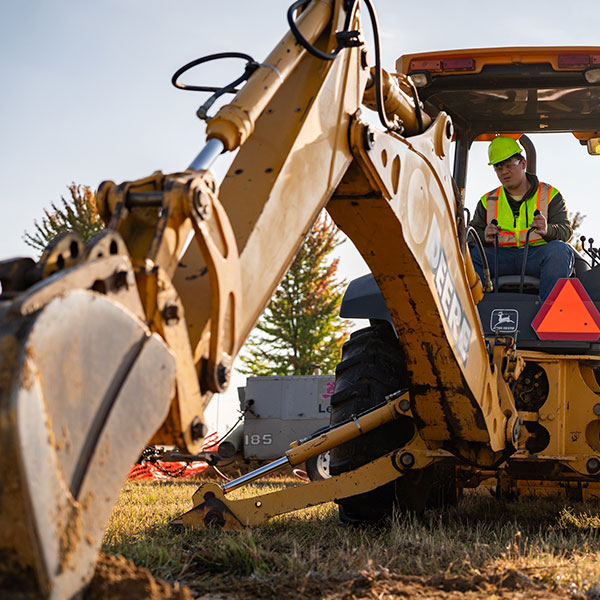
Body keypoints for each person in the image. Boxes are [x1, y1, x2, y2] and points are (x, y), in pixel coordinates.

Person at [470, 136, 573, 300]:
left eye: (509, 165)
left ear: (523, 163)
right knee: (471, 255)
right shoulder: (487, 201)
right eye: (498, 167)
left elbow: (565, 232)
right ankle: (474, 313)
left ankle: (550, 314)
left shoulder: (550, 195)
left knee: (559, 251)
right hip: (500, 257)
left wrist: (547, 230)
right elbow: (470, 235)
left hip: (536, 257)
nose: (504, 171)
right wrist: (484, 236)